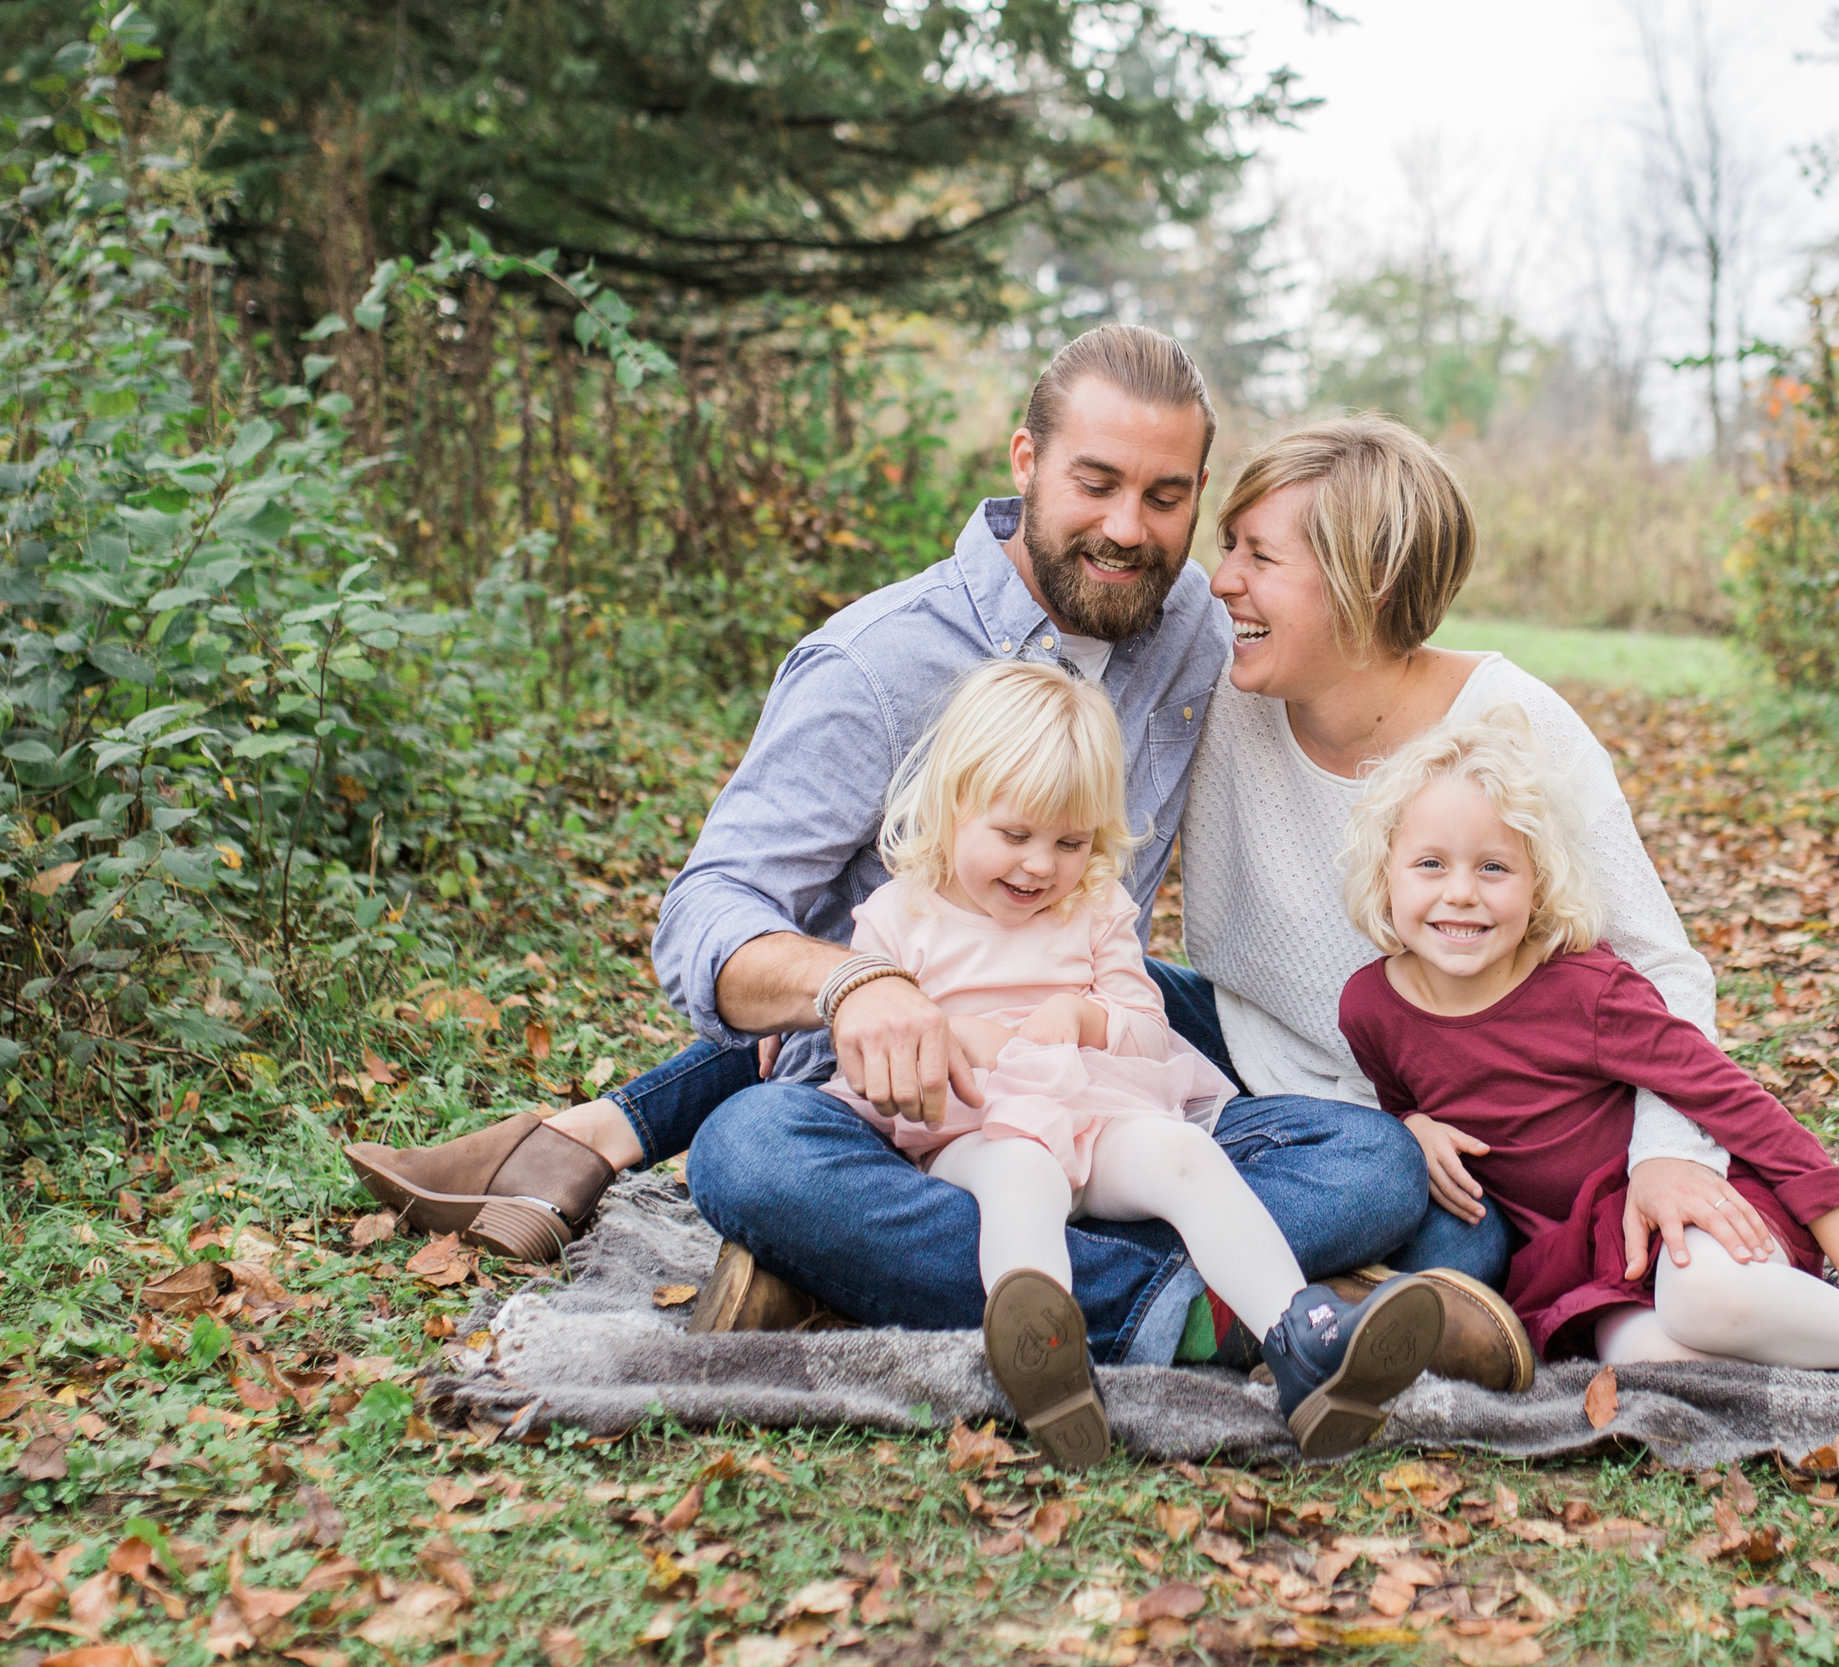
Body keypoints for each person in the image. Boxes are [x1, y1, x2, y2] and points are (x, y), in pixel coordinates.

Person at [348, 324, 1440, 1372]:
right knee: (751, 1156)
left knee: (1376, 1162)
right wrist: (857, 982)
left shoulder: (1198, 631)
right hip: (901, 1109)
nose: (1126, 527)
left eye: (1166, 496)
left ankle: (860, 1269)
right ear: (1026, 459)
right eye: (1095, 482)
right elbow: (707, 913)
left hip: (1097, 1066)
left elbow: (1356, 656)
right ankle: (1214, 1309)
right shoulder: (876, 665)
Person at [1158, 415, 1795, 1393]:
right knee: (1109, 996)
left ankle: (1201, 1285)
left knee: (1460, 1256)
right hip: (1260, 1062)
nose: (1222, 581)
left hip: (1453, 1126)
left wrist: (1669, 1155)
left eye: (1259, 556)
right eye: (1225, 549)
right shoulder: (1220, 688)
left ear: (1366, 579)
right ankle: (1295, 1282)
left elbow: (1659, 966)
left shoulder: (1510, 724)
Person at [827, 658, 1443, 1464]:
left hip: (1098, 1113)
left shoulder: (1093, 907)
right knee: (1023, 1176)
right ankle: (1049, 1364)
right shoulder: (898, 917)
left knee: (1185, 1152)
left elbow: (1147, 1031)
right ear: (951, 809)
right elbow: (876, 1059)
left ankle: (1303, 1341)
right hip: (977, 1131)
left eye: (1070, 842)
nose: (1040, 866)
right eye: (1014, 835)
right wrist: (944, 1036)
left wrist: (1083, 1016)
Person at [1334, 713, 1839, 1372]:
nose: (1460, 891)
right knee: (1639, 1357)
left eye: (1493, 866)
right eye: (1431, 863)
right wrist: (1411, 1128)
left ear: (1537, 882)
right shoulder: (1371, 1006)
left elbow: (1733, 1100)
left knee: (1703, 1298)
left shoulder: (1585, 993)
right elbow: (1405, 1099)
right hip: (1588, 1255)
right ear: (1386, 872)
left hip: (1685, 1212)